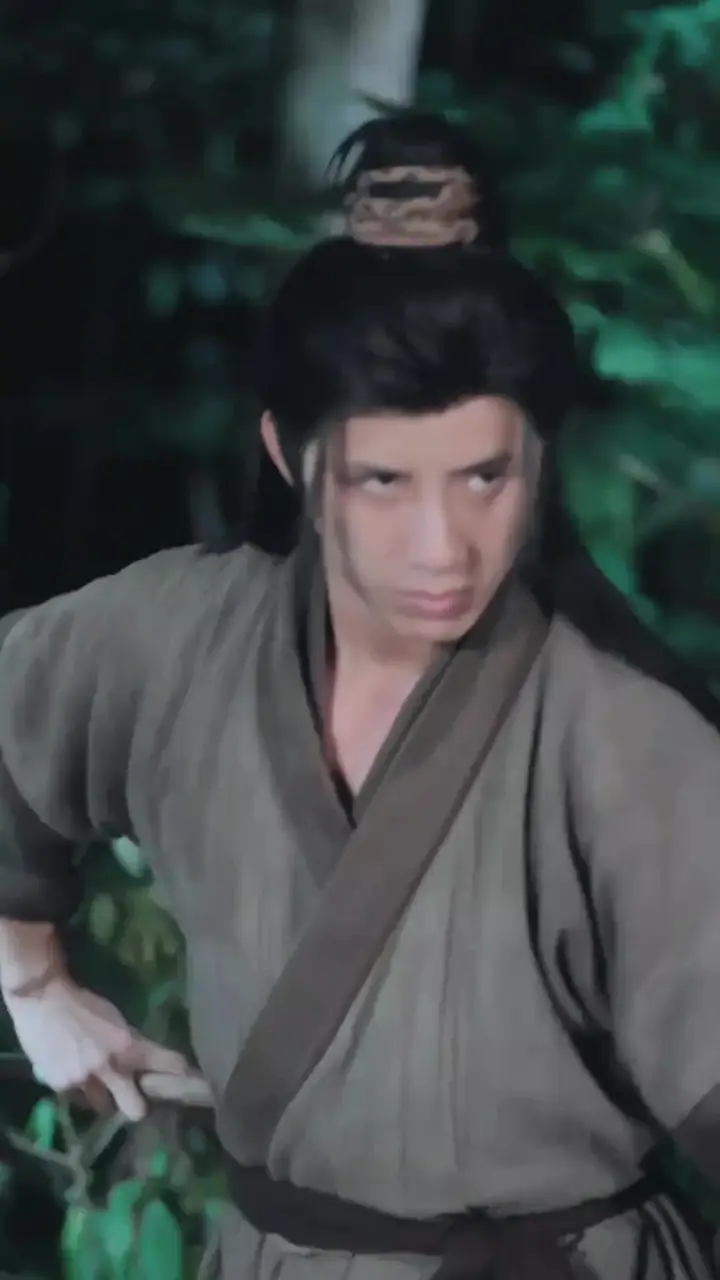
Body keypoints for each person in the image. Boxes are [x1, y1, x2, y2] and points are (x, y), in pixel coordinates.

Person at [0, 113, 719, 1280]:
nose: (445, 544)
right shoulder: (175, 641)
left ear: (536, 460)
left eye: (484, 476)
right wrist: (31, 979)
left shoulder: (626, 737)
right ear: (291, 455)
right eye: (384, 480)